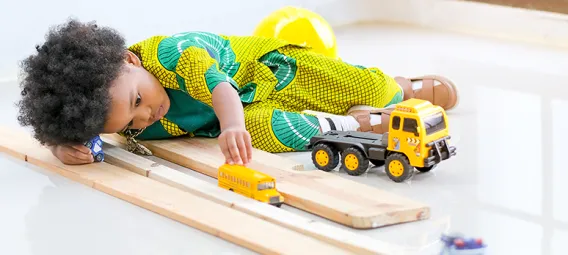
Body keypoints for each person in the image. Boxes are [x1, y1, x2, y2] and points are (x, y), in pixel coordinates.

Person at [16, 19, 459, 166]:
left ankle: (398, 87)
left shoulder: (175, 56)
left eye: (138, 102)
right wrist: (61, 145)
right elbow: (89, 138)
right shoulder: (111, 115)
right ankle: (353, 124)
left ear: (130, 60)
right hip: (252, 113)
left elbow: (222, 88)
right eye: (130, 124)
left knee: (355, 82)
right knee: (269, 132)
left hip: (269, 73)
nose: (144, 117)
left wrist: (228, 122)